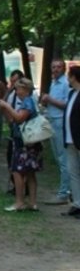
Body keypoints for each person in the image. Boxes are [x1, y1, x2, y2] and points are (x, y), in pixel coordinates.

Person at [0, 78, 42, 211]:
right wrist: (4, 110)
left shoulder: (27, 102)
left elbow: (19, 118)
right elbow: (12, 120)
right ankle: (32, 203)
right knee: (30, 172)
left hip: (25, 143)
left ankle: (19, 201)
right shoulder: (26, 102)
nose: (16, 91)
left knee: (17, 171)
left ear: (26, 89)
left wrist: (7, 106)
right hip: (28, 142)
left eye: (18, 88)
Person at [40, 60, 70, 205]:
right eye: (53, 67)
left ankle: (65, 192)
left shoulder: (65, 84)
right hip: (52, 120)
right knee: (58, 158)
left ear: (63, 69)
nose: (56, 69)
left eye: (58, 67)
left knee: (63, 158)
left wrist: (49, 99)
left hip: (60, 122)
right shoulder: (53, 83)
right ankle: (67, 189)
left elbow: (66, 104)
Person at [60, 66, 80, 218]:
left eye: (69, 75)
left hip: (78, 138)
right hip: (70, 138)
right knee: (73, 172)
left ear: (74, 77)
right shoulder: (72, 93)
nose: (68, 78)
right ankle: (77, 203)